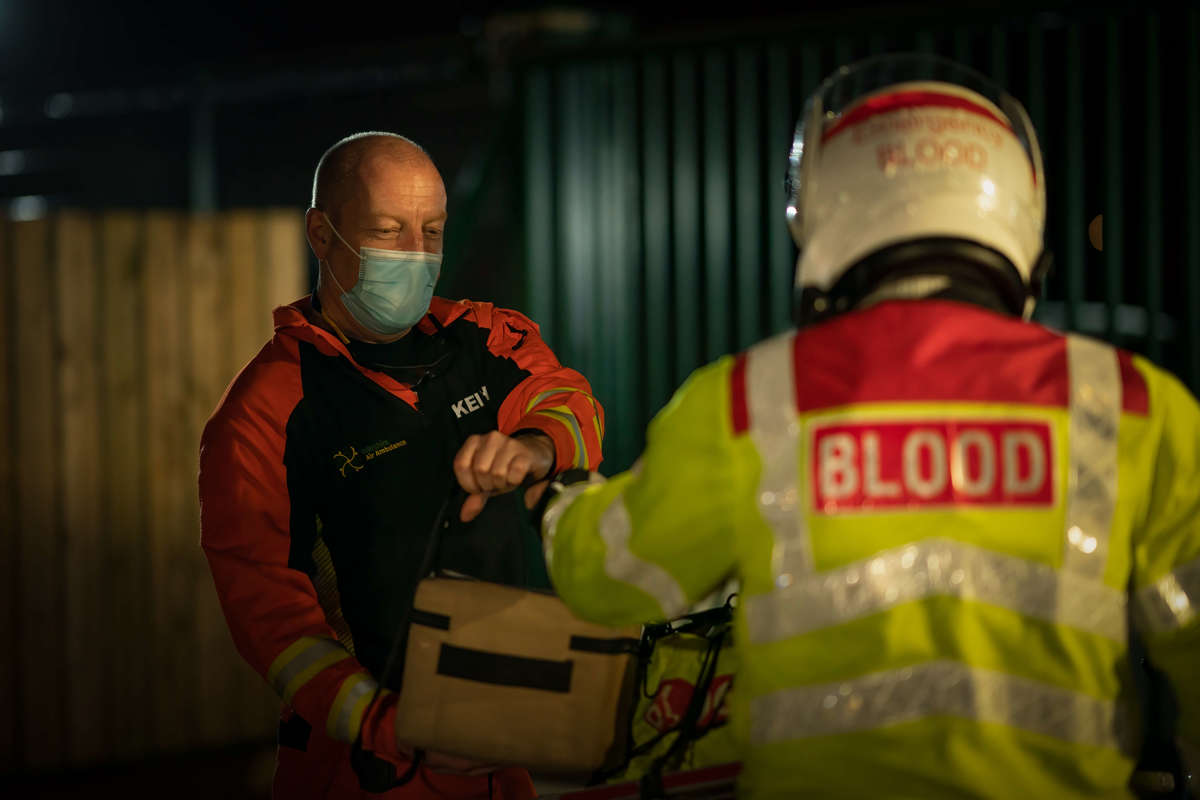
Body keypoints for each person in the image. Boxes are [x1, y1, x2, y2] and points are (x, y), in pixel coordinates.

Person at [538, 54, 1199, 798]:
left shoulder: (751, 402)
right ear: (1018, 212)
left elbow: (613, 581)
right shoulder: (1133, 405)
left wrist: (559, 500)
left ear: (824, 213)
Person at [199, 131, 605, 799]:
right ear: (322, 235)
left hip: (500, 749)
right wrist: (393, 726)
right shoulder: (263, 414)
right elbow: (272, 623)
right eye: (389, 231)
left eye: (433, 231)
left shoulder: (483, 341)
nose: (416, 256)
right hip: (363, 771)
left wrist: (535, 446)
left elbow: (568, 400)